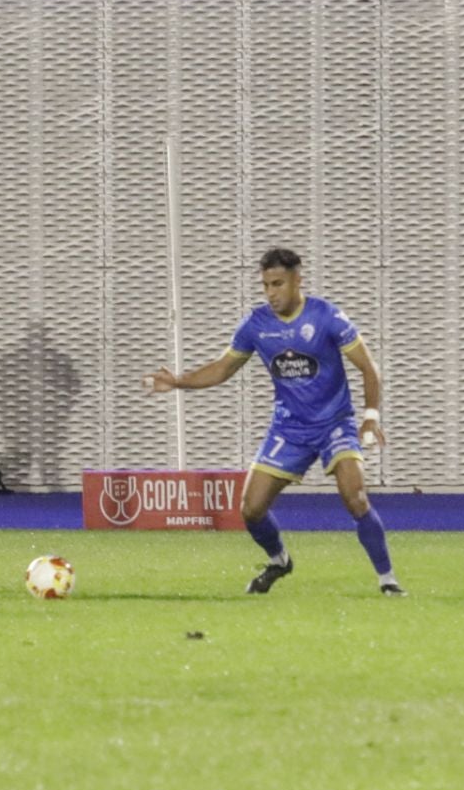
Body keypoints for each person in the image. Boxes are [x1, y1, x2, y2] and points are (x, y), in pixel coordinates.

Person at [147, 247, 402, 595]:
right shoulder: (257, 325)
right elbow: (222, 369)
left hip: (334, 425)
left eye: (278, 284)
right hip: (288, 430)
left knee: (355, 497)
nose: (271, 293)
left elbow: (369, 368)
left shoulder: (326, 316)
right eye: (266, 285)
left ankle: (388, 582)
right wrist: (178, 380)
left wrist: (371, 418)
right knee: (250, 509)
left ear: (298, 281)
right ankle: (279, 560)